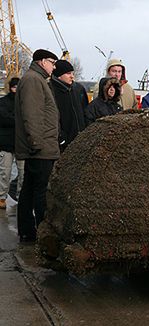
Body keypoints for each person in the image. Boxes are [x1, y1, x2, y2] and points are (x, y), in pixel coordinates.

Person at [14, 49, 59, 243]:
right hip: (40, 149)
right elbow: (31, 115)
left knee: (30, 190)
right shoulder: (33, 80)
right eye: (52, 62)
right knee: (39, 193)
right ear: (41, 62)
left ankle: (28, 232)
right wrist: (36, 143)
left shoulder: (36, 79)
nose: (54, 66)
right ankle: (41, 233)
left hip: (41, 147)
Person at [50, 60, 89, 151]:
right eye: (68, 73)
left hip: (81, 140)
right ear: (59, 75)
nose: (72, 76)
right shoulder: (51, 90)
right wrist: (61, 137)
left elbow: (86, 112)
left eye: (72, 73)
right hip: (61, 143)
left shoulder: (79, 89)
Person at [0, 77, 24, 208]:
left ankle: (21, 197)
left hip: (20, 143)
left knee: (22, 173)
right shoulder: (3, 102)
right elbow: (4, 119)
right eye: (15, 87)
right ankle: (1, 197)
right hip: (6, 143)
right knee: (5, 172)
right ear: (10, 87)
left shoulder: (24, 102)